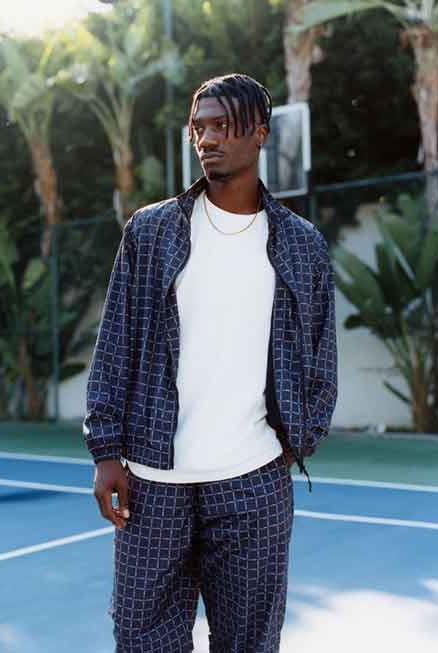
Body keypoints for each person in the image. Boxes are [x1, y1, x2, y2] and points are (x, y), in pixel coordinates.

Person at [83, 74, 337, 652]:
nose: (209, 138)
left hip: (254, 481)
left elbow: (321, 355)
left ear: (260, 135)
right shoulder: (151, 231)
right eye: (200, 126)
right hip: (153, 482)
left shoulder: (300, 243)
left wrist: (301, 436)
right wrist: (105, 451)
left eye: (224, 125)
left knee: (250, 641)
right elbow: (115, 340)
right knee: (143, 639)